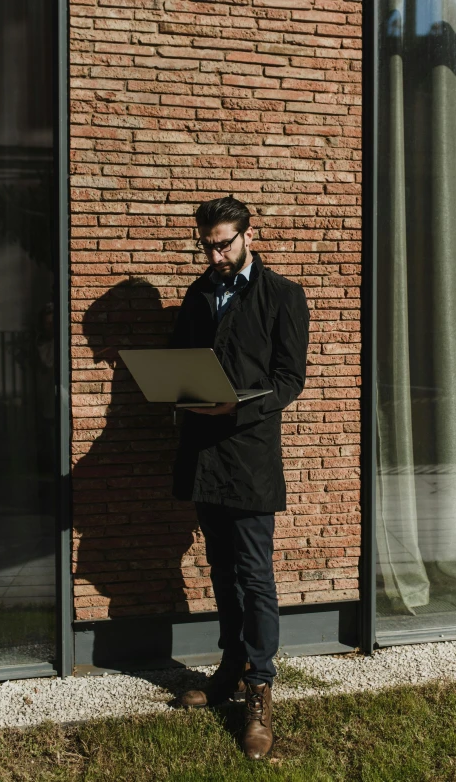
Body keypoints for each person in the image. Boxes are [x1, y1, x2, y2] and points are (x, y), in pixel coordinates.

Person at [170, 196, 309, 760]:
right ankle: (230, 667)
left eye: (224, 243)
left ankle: (260, 688)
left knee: (255, 574)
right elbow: (181, 360)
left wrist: (236, 409)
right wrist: (179, 388)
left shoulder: (283, 296)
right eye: (208, 245)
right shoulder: (198, 292)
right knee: (221, 569)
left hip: (249, 453)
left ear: (250, 235)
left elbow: (289, 380)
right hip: (203, 453)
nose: (216, 254)